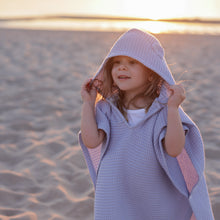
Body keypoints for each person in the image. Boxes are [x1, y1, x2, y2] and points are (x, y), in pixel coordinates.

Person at [79, 28, 214, 220]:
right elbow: (91, 141)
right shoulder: (106, 108)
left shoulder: (162, 110)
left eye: (132, 62)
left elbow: (174, 149)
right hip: (115, 193)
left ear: (151, 73)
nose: (122, 68)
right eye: (116, 63)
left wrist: (173, 109)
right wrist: (88, 103)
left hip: (153, 193)